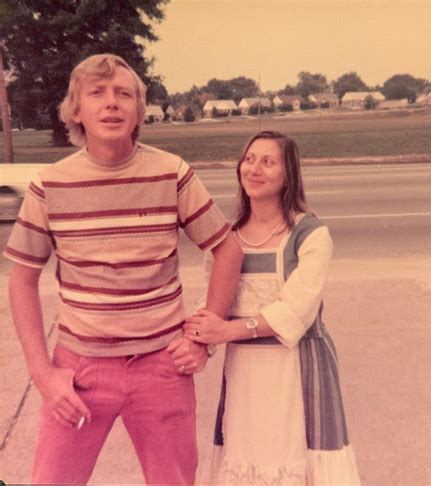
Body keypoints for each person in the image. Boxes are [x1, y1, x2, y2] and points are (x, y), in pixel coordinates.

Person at [4, 53, 243, 485]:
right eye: (97, 93)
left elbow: (227, 248)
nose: (111, 103)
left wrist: (205, 338)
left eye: (124, 94)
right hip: (80, 372)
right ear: (76, 111)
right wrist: (43, 374)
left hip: (162, 368)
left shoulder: (172, 172)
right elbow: (21, 278)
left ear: (138, 111)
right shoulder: (49, 185)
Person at [184, 130, 361, 485]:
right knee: (245, 455)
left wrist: (228, 330)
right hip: (245, 372)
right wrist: (200, 339)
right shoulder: (226, 236)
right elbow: (214, 298)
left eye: (268, 162)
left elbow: (298, 308)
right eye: (249, 159)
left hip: (296, 368)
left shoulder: (310, 235)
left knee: (294, 459)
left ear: (288, 174)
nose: (255, 169)